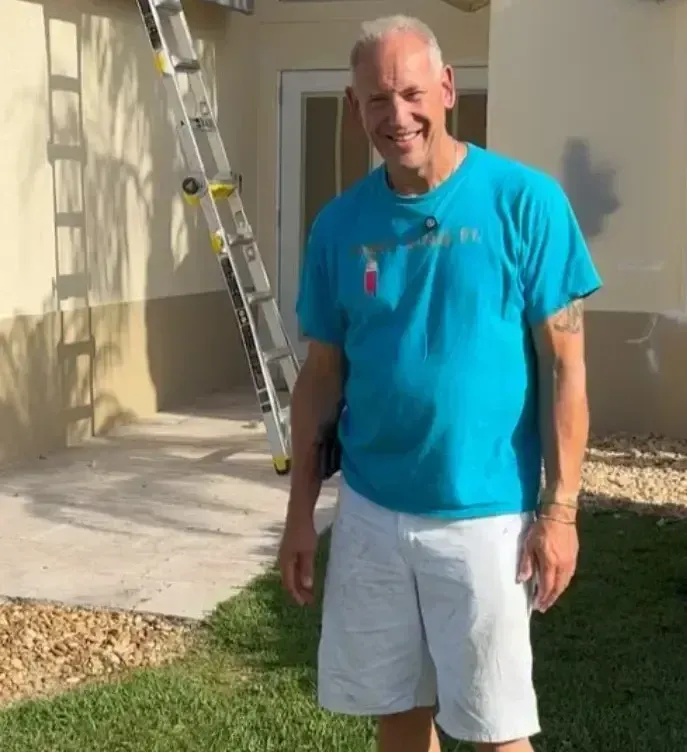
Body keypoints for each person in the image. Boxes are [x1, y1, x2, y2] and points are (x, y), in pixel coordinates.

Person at [278, 13, 602, 752]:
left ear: (447, 89)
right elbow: (321, 377)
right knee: (397, 715)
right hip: (371, 513)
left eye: (412, 94)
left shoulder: (525, 203)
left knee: (496, 733)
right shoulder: (338, 227)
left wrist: (560, 511)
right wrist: (301, 513)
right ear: (354, 106)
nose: (397, 116)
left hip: (484, 519)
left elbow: (567, 366)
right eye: (377, 100)